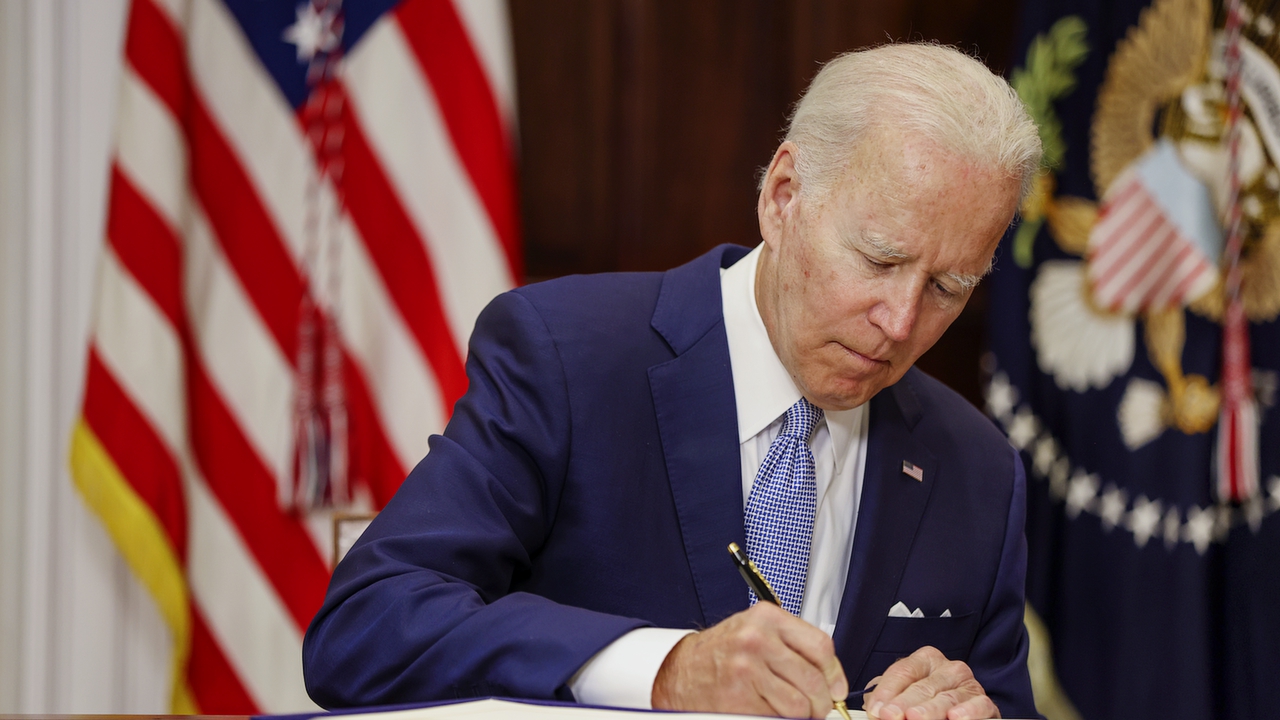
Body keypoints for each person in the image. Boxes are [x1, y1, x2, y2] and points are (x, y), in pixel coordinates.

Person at [304, 43, 1042, 720]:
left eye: (948, 287)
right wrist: (663, 669)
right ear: (783, 196)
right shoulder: (567, 358)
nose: (901, 319)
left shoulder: (976, 470)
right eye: (879, 260)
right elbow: (366, 630)